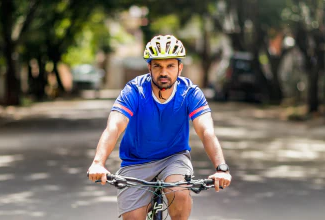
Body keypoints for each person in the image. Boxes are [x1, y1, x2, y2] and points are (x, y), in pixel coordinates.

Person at [87, 35, 232, 220]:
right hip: (135, 161)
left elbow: (206, 131)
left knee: (179, 192)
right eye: (158, 66)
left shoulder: (190, 93)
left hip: (174, 158)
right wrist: (98, 163)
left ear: (180, 67)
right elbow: (114, 126)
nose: (164, 72)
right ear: (149, 67)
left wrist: (221, 168)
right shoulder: (134, 91)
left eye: (170, 66)